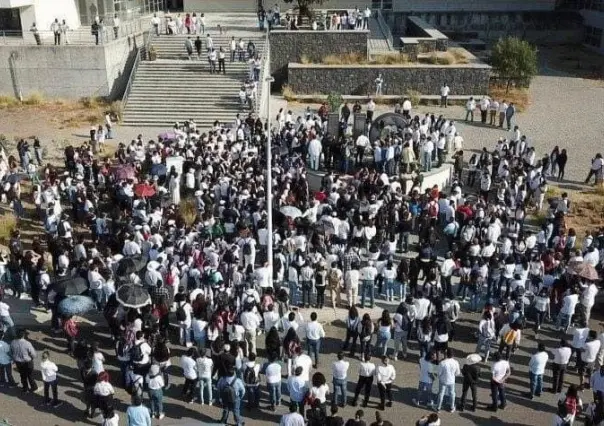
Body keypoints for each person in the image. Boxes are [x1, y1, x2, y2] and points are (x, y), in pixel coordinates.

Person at [10, 328, 38, 393]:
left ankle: (25, 388)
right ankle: (34, 387)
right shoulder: (27, 343)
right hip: (27, 362)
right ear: (23, 335)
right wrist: (32, 357)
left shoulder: (13, 342)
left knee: (22, 375)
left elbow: (11, 352)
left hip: (18, 362)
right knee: (30, 375)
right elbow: (33, 354)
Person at [435, 348, 460, 412]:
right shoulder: (456, 362)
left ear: (446, 354)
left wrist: (440, 377)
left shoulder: (442, 363)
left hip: (443, 380)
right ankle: (452, 407)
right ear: (453, 355)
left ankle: (438, 408)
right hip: (451, 381)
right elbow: (457, 373)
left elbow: (439, 373)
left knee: (441, 393)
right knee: (452, 394)